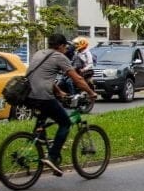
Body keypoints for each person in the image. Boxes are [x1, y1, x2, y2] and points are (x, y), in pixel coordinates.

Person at [27, 33, 97, 176]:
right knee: (65, 123)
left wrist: (59, 92)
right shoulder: (59, 57)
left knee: (42, 123)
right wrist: (91, 93)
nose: (66, 49)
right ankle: (52, 157)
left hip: (28, 95)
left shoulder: (39, 53)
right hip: (43, 96)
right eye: (65, 46)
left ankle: (38, 138)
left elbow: (43, 77)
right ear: (60, 46)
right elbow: (77, 79)